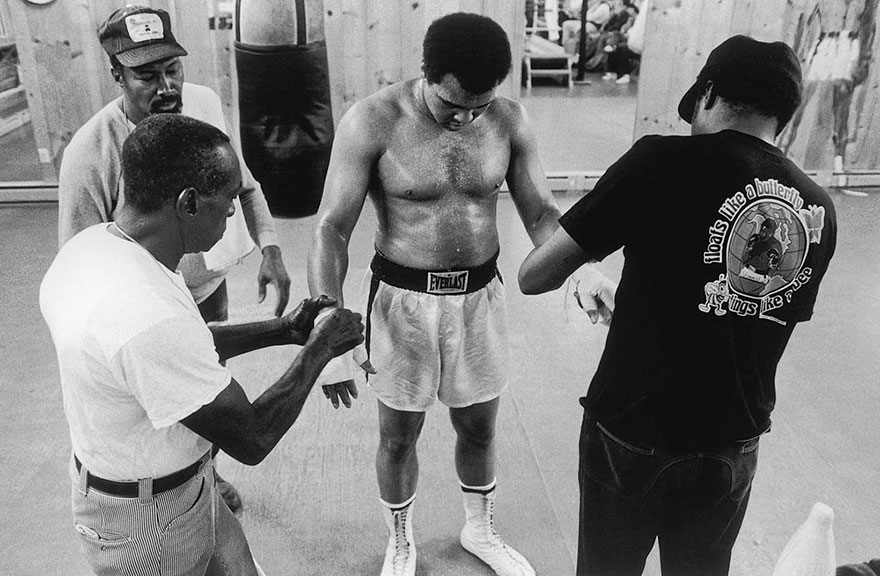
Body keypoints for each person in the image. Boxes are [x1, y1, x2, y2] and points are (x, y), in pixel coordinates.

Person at [518, 35, 837, 576]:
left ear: (709, 93)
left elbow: (535, 276)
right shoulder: (817, 208)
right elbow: (755, 315)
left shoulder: (660, 160)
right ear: (785, 113)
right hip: (732, 443)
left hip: (634, 430)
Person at [308, 11, 612, 576]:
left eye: (479, 103)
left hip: (479, 298)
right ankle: (400, 541)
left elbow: (542, 212)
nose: (466, 116)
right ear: (426, 73)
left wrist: (583, 268)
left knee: (479, 426)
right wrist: (327, 321)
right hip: (402, 300)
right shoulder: (372, 121)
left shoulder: (509, 121)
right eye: (452, 104)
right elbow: (330, 228)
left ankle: (480, 528)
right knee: (399, 435)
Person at [40, 113, 365, 576]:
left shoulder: (95, 248)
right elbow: (251, 436)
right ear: (189, 204)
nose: (234, 211)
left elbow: (186, 347)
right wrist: (319, 350)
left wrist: (285, 330)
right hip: (146, 522)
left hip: (180, 484)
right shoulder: (143, 312)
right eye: (229, 198)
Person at [57, 5, 292, 513]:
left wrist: (270, 247)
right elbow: (80, 267)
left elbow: (245, 185)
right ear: (116, 73)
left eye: (172, 69)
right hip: (142, 313)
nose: (166, 87)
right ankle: (179, 483)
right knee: (162, 398)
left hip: (204, 287)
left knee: (208, 387)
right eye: (146, 74)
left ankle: (207, 469)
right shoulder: (90, 154)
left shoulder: (203, 103)